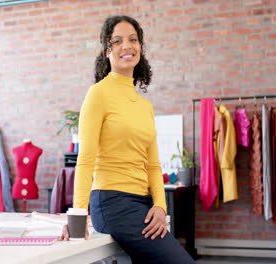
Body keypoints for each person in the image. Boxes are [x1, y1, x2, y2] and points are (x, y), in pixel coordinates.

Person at [59, 15, 195, 264]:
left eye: (133, 40)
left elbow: (153, 164)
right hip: (112, 202)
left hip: (143, 204)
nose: (127, 46)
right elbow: (86, 159)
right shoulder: (98, 93)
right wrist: (77, 217)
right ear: (107, 50)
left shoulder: (145, 106)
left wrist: (160, 207)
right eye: (117, 41)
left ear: (140, 48)